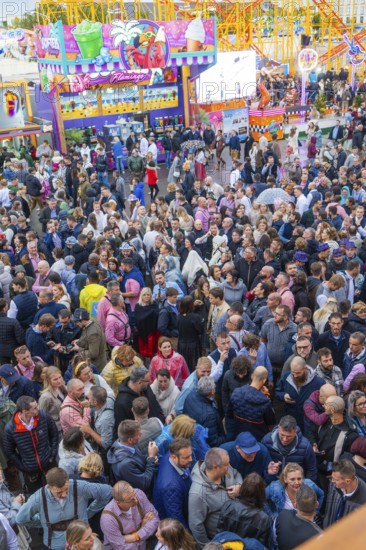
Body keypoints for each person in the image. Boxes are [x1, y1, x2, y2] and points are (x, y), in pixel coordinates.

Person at [16, 467, 112, 550]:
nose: (64, 494)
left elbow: (107, 491)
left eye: (66, 489)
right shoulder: (38, 498)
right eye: (58, 492)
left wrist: (89, 512)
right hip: (57, 545)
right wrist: (43, 523)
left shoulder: (78, 486)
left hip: (82, 542)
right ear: (49, 487)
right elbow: (20, 519)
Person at [189, 448, 242, 547]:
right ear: (215, 467)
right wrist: (208, 547)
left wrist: (239, 486)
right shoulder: (197, 494)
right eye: (226, 465)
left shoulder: (224, 468)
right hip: (221, 541)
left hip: (236, 530)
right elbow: (196, 525)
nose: (229, 466)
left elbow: (236, 473)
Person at [3, 396, 58, 493]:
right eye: (35, 408)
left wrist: (52, 454)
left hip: (49, 463)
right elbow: (9, 451)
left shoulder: (44, 416)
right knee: (36, 497)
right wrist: (23, 467)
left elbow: (54, 434)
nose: (38, 409)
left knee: (57, 490)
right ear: (25, 411)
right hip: (30, 471)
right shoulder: (11, 428)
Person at [216, 473, 271, 548]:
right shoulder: (264, 519)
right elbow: (261, 546)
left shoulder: (228, 506)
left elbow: (219, 533)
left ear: (243, 488)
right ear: (261, 492)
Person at [100, 480, 159, 550]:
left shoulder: (138, 494)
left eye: (134, 494)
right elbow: (121, 548)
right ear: (118, 503)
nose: (136, 500)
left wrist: (135, 536)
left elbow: (155, 519)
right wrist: (142, 532)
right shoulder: (108, 519)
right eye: (130, 500)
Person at [108, 420, 159, 495]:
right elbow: (144, 484)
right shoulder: (125, 465)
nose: (141, 434)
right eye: (138, 434)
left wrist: (149, 458)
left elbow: (139, 459)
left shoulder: (124, 443)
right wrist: (151, 457)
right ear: (130, 440)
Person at [261, 415, 318, 482]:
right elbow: (261, 465)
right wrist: (268, 473)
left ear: (295, 431)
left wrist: (304, 487)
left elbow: (312, 470)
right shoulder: (266, 441)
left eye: (289, 436)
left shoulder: (305, 446)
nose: (285, 439)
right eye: (282, 435)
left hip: (296, 485)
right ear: (278, 428)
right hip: (272, 483)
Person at [276, 357, 325, 432]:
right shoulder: (286, 377)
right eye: (293, 372)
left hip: (309, 424)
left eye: (298, 373)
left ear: (305, 368)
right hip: (291, 421)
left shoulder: (319, 382)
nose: (295, 375)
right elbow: (277, 391)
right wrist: (283, 396)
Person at [227, 366, 275, 440]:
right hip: (257, 439)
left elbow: (229, 414)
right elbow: (270, 424)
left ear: (252, 376)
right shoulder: (265, 401)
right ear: (264, 380)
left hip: (238, 435)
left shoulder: (236, 392)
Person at [154, 438, 193, 528]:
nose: (191, 459)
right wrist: (189, 538)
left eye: (190, 455)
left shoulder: (170, 457)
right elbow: (177, 519)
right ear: (174, 457)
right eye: (186, 457)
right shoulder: (171, 487)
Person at [275, 485, 323, 549]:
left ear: (295, 505)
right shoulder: (319, 536)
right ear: (317, 504)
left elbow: (275, 541)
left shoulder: (282, 515)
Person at [183, 376, 225, 447]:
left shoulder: (190, 395)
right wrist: (225, 438)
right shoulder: (210, 414)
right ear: (212, 391)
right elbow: (213, 441)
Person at [324, 459, 366, 527]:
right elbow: (329, 507)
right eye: (332, 478)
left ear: (348, 481)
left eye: (335, 480)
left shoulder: (363, 501)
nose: (332, 481)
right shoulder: (334, 485)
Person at [71, 308, 107, 372]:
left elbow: (93, 354)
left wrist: (78, 349)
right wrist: (80, 340)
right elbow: (89, 338)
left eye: (77, 321)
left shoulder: (93, 333)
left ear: (83, 321)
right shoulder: (94, 323)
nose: (76, 324)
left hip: (96, 366)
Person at [38, 366, 67, 433]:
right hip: (56, 429)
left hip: (66, 424)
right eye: (55, 379)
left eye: (60, 377)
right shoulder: (45, 397)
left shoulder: (63, 388)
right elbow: (41, 416)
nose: (59, 381)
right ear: (49, 381)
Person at [0, 299, 24, 363]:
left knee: (5, 369)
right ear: (5, 308)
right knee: (17, 368)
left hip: (1, 350)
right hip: (14, 349)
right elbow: (20, 339)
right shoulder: (13, 321)